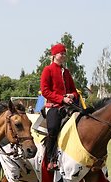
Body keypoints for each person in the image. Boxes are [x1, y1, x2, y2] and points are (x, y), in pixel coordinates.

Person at [40, 43, 78, 171]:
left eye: (64, 54)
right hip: (53, 106)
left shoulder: (66, 72)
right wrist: (62, 98)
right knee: (53, 128)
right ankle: (50, 159)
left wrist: (72, 96)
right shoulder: (48, 70)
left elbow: (74, 91)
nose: (63, 56)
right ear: (54, 55)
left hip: (69, 106)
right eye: (61, 53)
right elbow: (45, 91)